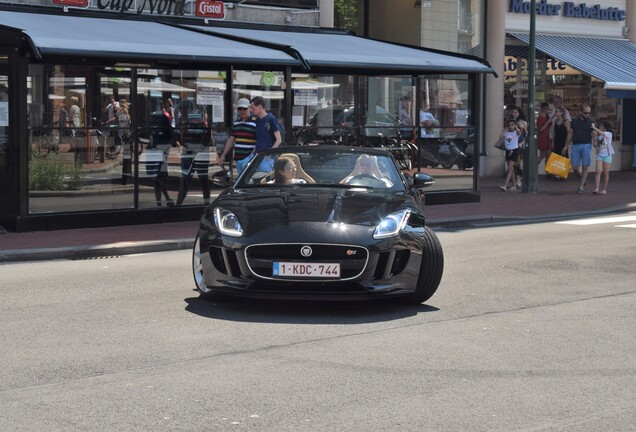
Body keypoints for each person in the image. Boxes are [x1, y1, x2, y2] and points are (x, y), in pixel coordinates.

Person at [217, 98, 257, 174]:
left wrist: (251, 156)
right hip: (238, 159)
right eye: (240, 109)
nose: (242, 111)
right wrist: (223, 155)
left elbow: (259, 141)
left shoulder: (256, 122)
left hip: (249, 158)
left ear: (249, 108)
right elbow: (231, 140)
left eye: (244, 109)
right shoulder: (236, 123)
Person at [568, 104, 595, 194]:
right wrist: (566, 144)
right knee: (575, 167)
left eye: (589, 113)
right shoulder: (574, 121)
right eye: (585, 113)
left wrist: (595, 144)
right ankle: (582, 180)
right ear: (580, 112)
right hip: (576, 145)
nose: (587, 115)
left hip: (586, 145)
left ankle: (581, 186)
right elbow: (570, 133)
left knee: (585, 166)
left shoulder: (591, 121)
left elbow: (594, 133)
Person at [591, 121, 614, 195]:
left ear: (604, 128)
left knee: (606, 173)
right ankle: (597, 188)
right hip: (600, 155)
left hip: (607, 155)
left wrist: (594, 127)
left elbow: (602, 133)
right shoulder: (599, 135)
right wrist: (596, 147)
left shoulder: (609, 134)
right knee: (598, 171)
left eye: (601, 126)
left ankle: (604, 189)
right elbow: (596, 143)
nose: (600, 127)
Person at [499, 119, 522, 192]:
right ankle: (514, 185)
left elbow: (519, 133)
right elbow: (500, 136)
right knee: (511, 169)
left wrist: (517, 128)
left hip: (514, 151)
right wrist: (505, 129)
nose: (511, 126)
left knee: (510, 168)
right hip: (508, 151)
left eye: (512, 125)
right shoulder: (506, 133)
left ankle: (505, 185)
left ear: (515, 126)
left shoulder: (516, 132)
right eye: (509, 125)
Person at [117, 100, 132, 185]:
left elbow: (118, 119)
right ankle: (125, 159)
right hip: (125, 129)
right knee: (126, 145)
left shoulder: (119, 111)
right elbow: (129, 120)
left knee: (124, 143)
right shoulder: (125, 111)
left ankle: (124, 157)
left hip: (121, 129)